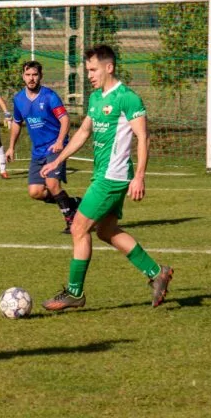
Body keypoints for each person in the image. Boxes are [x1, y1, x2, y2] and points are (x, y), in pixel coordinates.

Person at [38, 45, 173, 311]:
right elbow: (84, 132)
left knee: (78, 228)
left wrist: (140, 176)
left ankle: (74, 293)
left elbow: (143, 137)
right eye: (87, 70)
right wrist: (58, 159)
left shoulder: (127, 98)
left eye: (92, 69)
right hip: (103, 174)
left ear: (109, 67)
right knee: (106, 231)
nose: (88, 75)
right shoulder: (96, 98)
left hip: (113, 177)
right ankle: (157, 272)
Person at [5, 61, 80, 234]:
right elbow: (17, 123)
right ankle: (73, 203)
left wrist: (60, 141)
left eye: (35, 75)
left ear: (40, 76)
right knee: (36, 192)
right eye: (28, 75)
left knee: (52, 184)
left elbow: (65, 120)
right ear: (23, 76)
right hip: (37, 150)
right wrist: (11, 147)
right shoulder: (19, 99)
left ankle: (71, 222)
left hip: (54, 148)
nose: (31, 79)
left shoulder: (49, 96)